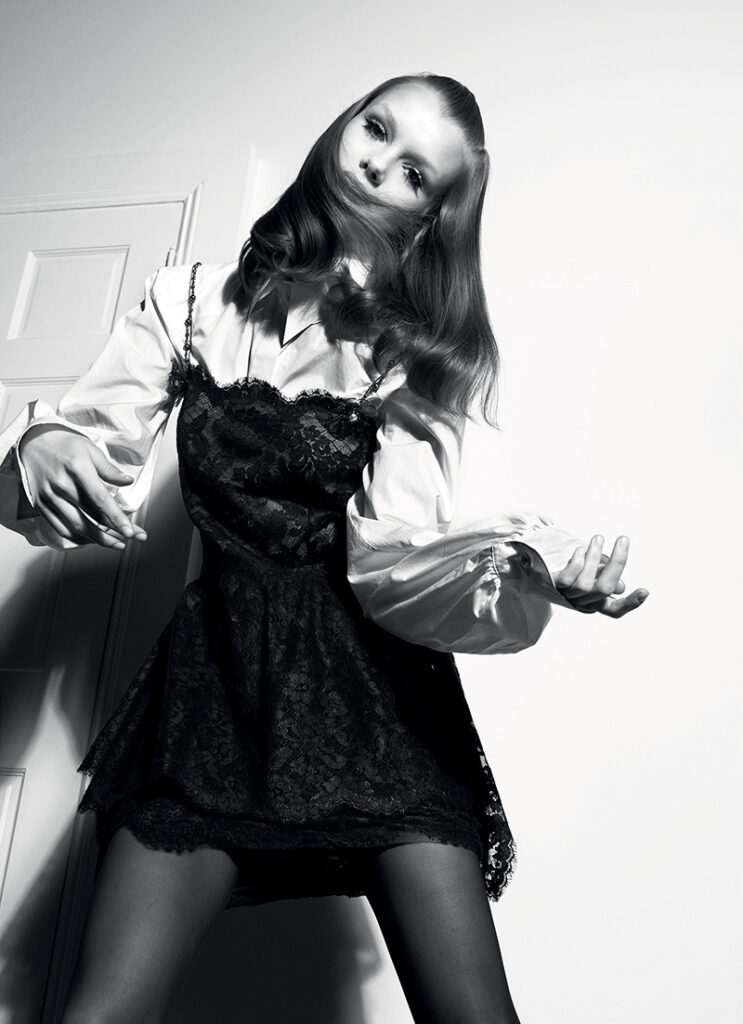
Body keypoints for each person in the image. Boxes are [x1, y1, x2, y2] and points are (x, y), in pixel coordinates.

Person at [0, 73, 647, 1024]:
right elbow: (90, 455)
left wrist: (528, 563)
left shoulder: (414, 353)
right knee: (98, 1014)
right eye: (376, 130)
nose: (378, 166)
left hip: (373, 699)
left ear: (428, 217)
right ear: (344, 123)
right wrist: (44, 444)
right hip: (215, 689)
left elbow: (391, 565)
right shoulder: (191, 302)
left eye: (415, 174)